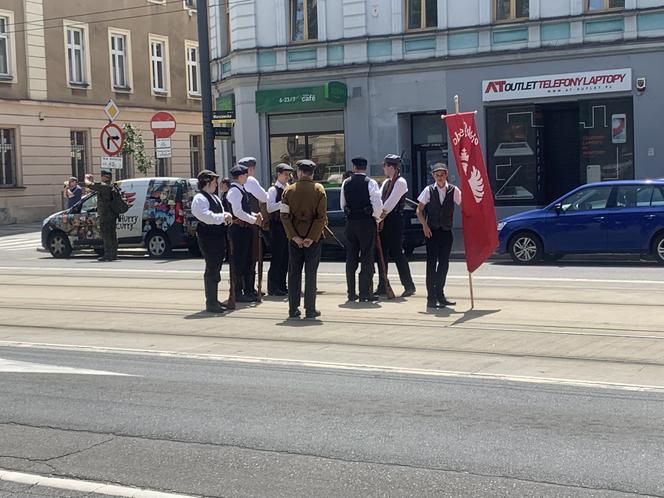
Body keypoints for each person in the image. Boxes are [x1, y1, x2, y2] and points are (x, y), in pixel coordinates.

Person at [280, 159, 328, 320]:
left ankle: (293, 308)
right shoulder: (319, 189)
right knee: (311, 273)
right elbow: (321, 217)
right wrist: (310, 238)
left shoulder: (288, 191)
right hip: (313, 239)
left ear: (299, 172)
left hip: (294, 239)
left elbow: (284, 216)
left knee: (294, 273)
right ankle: (310, 309)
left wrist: (294, 236)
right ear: (312, 173)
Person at [415, 163, 462, 308]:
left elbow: (464, 206)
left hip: (446, 232)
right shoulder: (428, 190)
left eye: (442, 175)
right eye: (437, 175)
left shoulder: (454, 190)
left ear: (446, 174)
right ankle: (431, 298)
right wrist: (425, 225)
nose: (440, 177)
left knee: (443, 265)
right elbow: (419, 210)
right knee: (431, 265)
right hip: (432, 232)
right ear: (433, 176)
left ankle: (440, 295)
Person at [340, 157, 382, 302]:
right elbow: (377, 204)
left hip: (351, 223)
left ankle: (351, 292)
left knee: (351, 258)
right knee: (367, 257)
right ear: (365, 167)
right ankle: (365, 292)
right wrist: (376, 218)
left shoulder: (346, 182)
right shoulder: (370, 183)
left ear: (354, 167)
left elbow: (342, 204)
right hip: (366, 223)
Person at [191, 170, 233, 313]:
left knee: (216, 268)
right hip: (208, 237)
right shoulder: (200, 198)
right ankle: (211, 302)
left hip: (218, 236)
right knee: (212, 269)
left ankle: (214, 299)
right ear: (207, 182)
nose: (216, 184)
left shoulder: (213, 197)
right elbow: (206, 216)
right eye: (214, 182)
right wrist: (223, 216)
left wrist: (225, 217)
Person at [377, 154, 416, 298]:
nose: (383, 168)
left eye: (385, 165)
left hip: (394, 220)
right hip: (384, 220)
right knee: (382, 254)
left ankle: (409, 285)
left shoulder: (400, 182)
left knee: (398, 253)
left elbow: (390, 204)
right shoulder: (387, 182)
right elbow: (381, 200)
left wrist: (379, 216)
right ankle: (382, 285)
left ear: (391, 167)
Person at [226, 165, 264, 302]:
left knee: (248, 259)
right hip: (238, 230)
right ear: (241, 176)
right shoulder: (235, 191)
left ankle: (248, 290)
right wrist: (254, 220)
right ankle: (237, 291)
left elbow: (245, 211)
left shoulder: (240, 190)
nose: (247, 177)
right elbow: (238, 212)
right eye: (245, 175)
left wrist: (254, 215)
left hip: (245, 228)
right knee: (239, 261)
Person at [238, 156, 269, 294]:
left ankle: (245, 287)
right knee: (253, 255)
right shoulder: (250, 180)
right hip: (252, 222)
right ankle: (249, 288)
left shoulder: (237, 184)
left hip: (241, 223)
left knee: (243, 255)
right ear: (250, 168)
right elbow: (264, 197)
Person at [267, 163, 294, 296]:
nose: (287, 177)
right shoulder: (273, 190)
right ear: (278, 174)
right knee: (277, 256)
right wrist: (283, 203)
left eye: (289, 174)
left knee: (286, 257)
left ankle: (282, 285)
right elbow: (269, 207)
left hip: (287, 226)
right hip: (277, 226)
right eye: (285, 174)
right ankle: (273, 286)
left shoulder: (289, 188)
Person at [85, 169, 118, 262]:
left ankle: (108, 254)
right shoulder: (112, 186)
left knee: (106, 235)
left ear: (104, 176)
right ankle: (114, 254)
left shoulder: (104, 186)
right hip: (112, 214)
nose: (101, 178)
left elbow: (88, 184)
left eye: (102, 176)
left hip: (105, 215)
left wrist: (86, 178)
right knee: (112, 235)